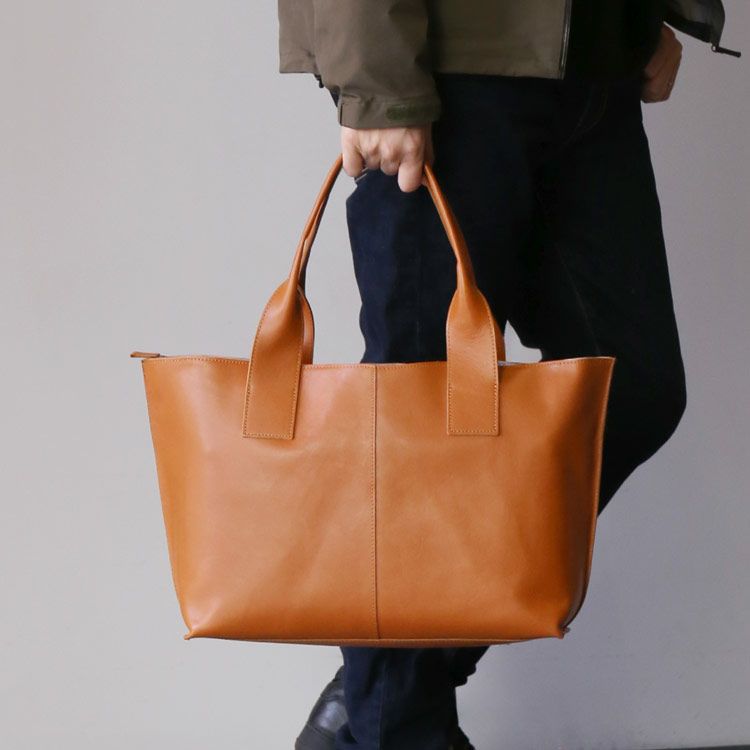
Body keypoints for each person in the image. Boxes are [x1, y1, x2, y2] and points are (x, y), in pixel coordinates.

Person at [276, 2, 740, 749]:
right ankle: (396, 723)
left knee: (632, 387)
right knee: (417, 425)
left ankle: (380, 701)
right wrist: (378, 81)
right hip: (453, 67)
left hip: (591, 63)